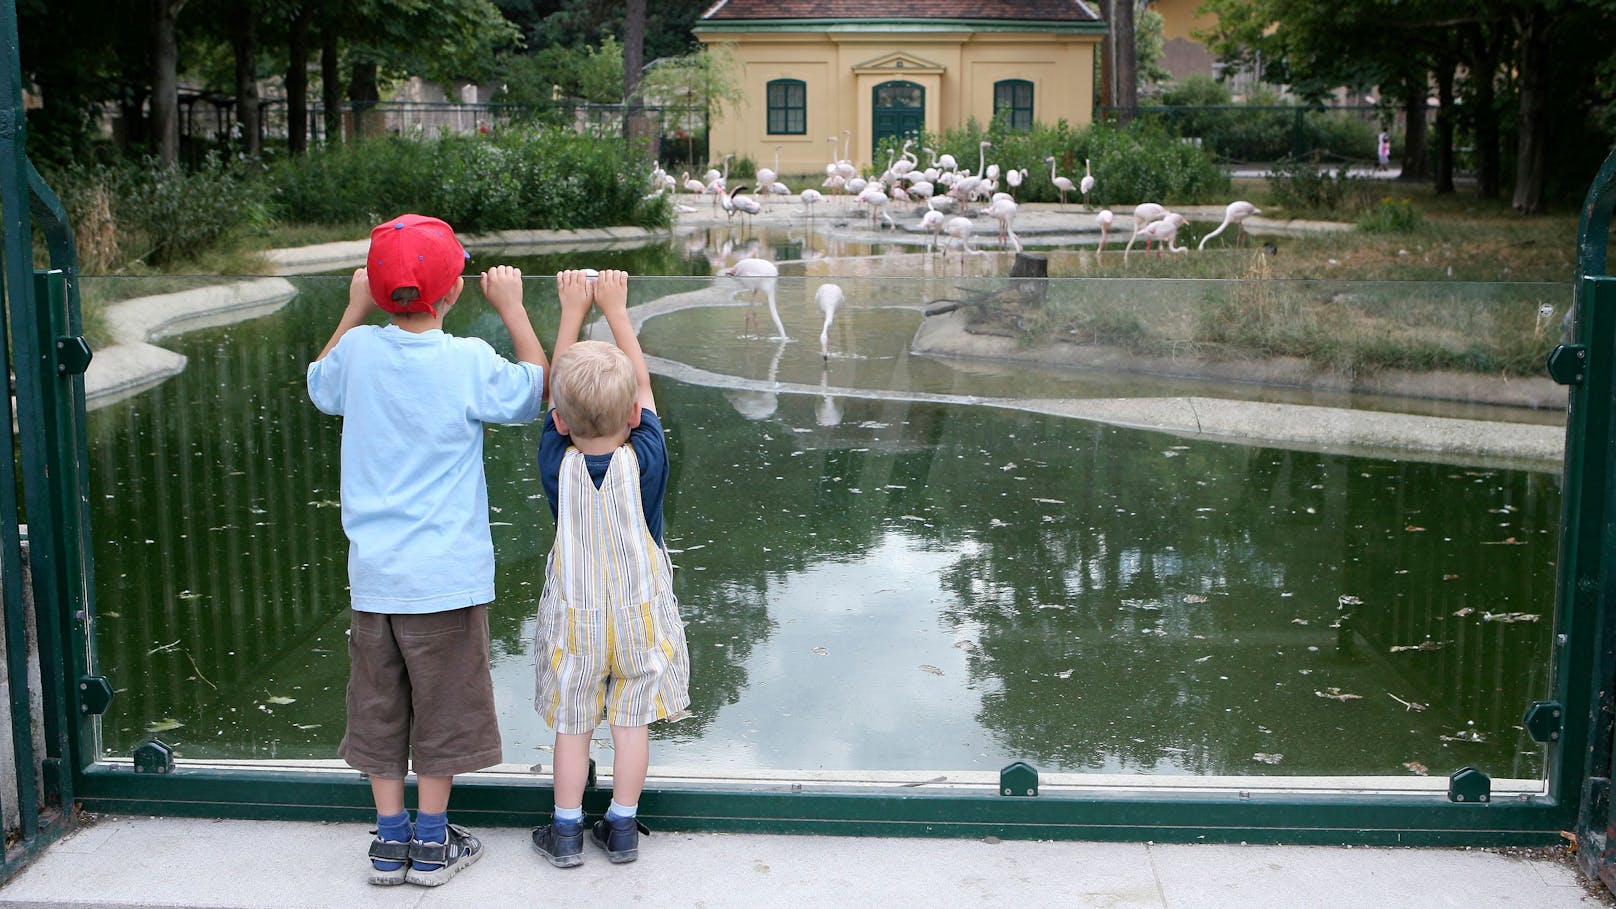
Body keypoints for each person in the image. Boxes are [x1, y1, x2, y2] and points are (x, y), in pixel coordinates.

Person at [306, 214, 547, 887]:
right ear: (456, 289)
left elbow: (318, 384)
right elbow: (533, 388)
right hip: (446, 579)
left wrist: (352, 310)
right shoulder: (467, 360)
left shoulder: (356, 354)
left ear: (377, 292)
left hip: (375, 579)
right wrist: (515, 307)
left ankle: (389, 843)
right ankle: (434, 842)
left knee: (380, 706)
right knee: (443, 709)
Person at [530, 269, 691, 868]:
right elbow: (642, 386)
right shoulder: (647, 459)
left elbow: (554, 397)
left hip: (576, 624)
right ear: (631, 417)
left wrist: (570, 310)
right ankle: (621, 827)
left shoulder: (556, 462)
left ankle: (566, 831)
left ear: (563, 424)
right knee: (631, 725)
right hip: (638, 620)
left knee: (573, 728)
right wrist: (617, 311)